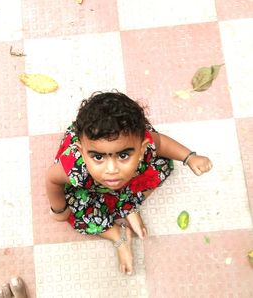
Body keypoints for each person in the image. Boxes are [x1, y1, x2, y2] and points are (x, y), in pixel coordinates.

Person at [46, 91, 212, 275]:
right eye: (98, 157)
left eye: (123, 155)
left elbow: (162, 144)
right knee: (77, 213)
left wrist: (189, 157)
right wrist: (59, 210)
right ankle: (116, 233)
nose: (111, 169)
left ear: (141, 148)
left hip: (128, 178)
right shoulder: (75, 167)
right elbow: (52, 180)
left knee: (162, 164)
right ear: (82, 151)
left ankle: (128, 206)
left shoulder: (146, 145)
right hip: (90, 186)